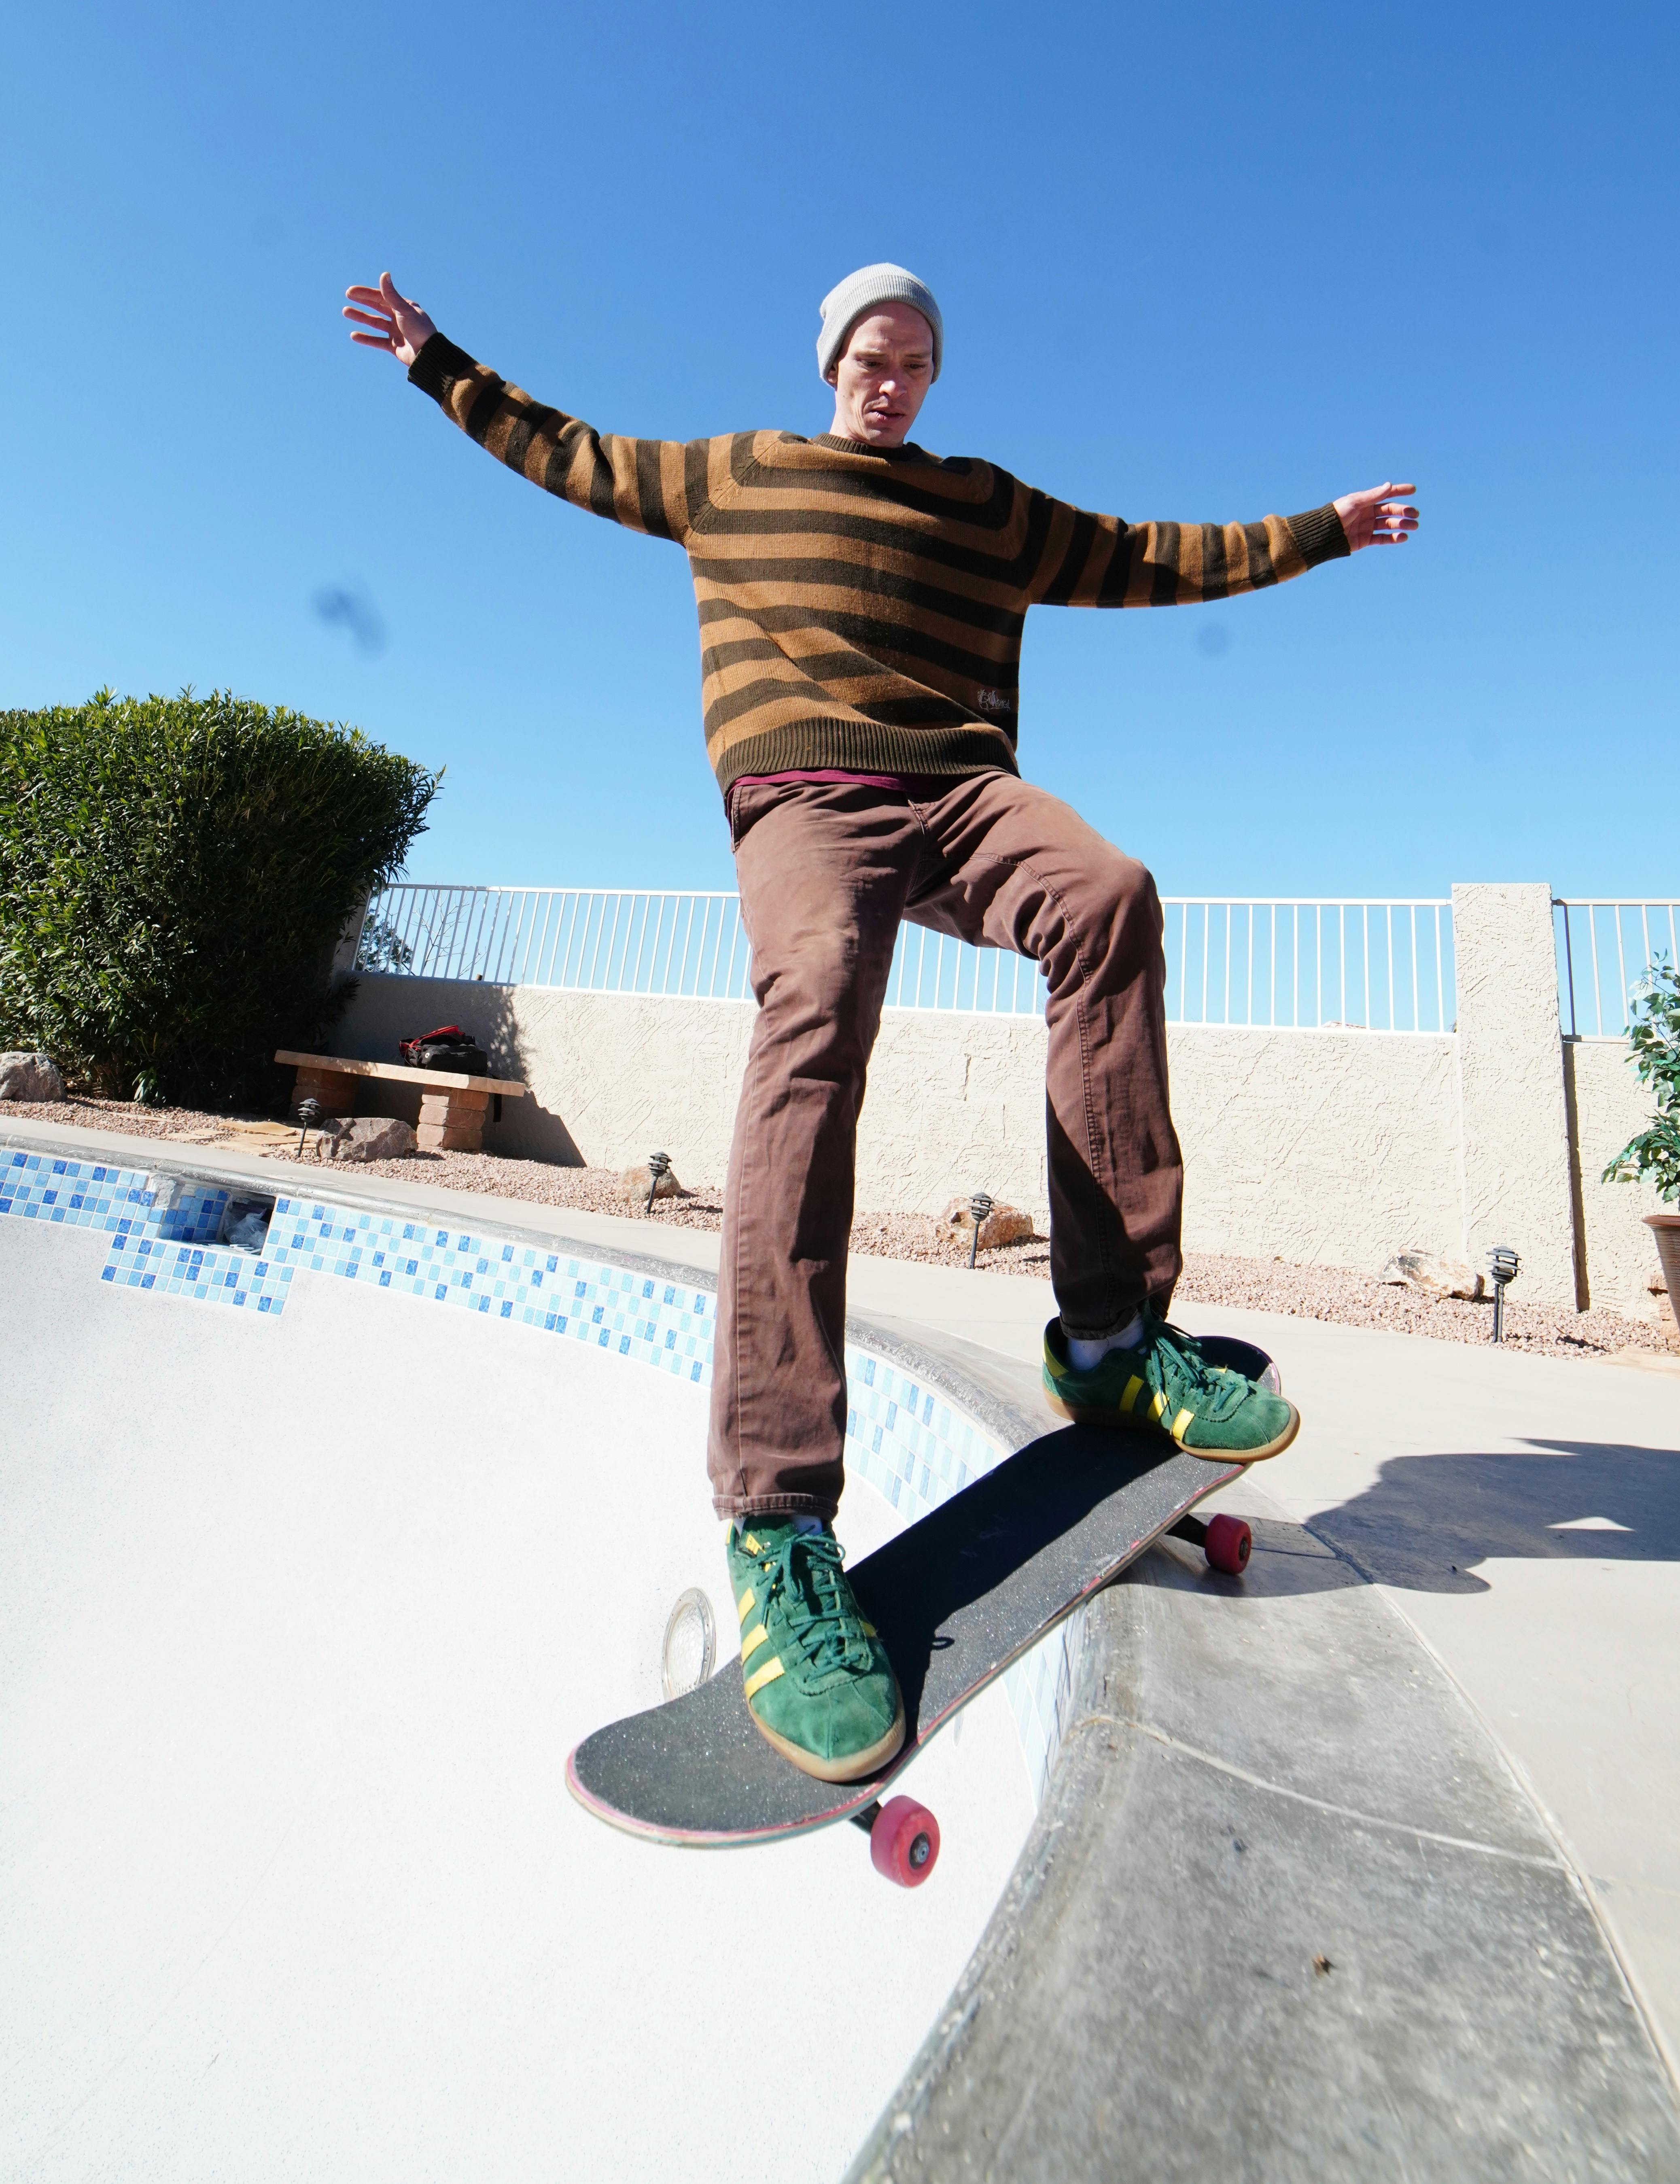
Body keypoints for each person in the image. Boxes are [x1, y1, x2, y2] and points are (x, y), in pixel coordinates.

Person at [344, 262, 1418, 1785]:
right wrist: (438, 362)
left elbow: (1149, 556)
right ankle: (778, 1520)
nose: (891, 377)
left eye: (915, 358)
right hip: (803, 789)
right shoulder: (736, 476)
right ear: (828, 359)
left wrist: (1324, 528)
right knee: (818, 1001)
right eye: (870, 353)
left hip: (965, 794)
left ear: (934, 376)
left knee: (1107, 893)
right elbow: (567, 452)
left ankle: (1111, 1336)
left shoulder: (983, 506)